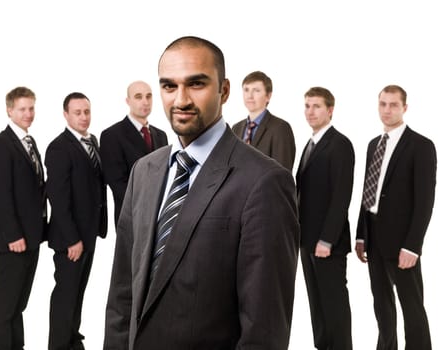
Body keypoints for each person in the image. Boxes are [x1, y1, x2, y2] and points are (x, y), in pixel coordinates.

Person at [103, 36, 299, 350]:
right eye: (169, 86)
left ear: (224, 90)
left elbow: (264, 330)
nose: (180, 99)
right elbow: (122, 296)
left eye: (196, 84)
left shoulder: (264, 182)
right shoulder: (144, 171)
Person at [356, 85, 436, 350]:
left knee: (411, 306)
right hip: (374, 237)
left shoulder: (421, 146)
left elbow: (425, 201)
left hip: (402, 241)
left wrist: (413, 245)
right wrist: (360, 234)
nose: (387, 110)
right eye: (382, 104)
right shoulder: (373, 145)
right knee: (382, 305)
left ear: (405, 108)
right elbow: (368, 192)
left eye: (393, 105)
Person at [0, 86, 48, 350]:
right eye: (22, 109)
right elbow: (2, 195)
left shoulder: (30, 142)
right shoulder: (0, 145)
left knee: (19, 304)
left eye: (31, 108)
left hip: (32, 236)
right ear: (9, 110)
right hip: (14, 239)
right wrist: (13, 235)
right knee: (5, 305)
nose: (28, 113)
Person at [45, 92, 108, 350]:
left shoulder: (92, 142)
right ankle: (59, 344)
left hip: (89, 232)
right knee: (65, 295)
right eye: (78, 113)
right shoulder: (59, 147)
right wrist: (72, 239)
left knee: (78, 292)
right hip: (70, 238)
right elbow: (57, 199)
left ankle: (73, 338)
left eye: (87, 112)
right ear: (66, 115)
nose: (84, 117)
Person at [296, 87, 354, 350]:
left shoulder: (340, 144)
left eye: (316, 106)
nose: (310, 111)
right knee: (317, 306)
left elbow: (341, 197)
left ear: (330, 110)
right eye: (307, 105)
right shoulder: (309, 144)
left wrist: (327, 240)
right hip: (306, 240)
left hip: (326, 243)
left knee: (334, 305)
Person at [100, 80, 168, 224]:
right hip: (131, 217)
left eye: (149, 96)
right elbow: (116, 182)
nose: (145, 102)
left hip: (160, 217)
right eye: (138, 97)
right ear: (128, 101)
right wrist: (146, 207)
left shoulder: (161, 135)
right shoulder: (112, 135)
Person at [231, 71, 296, 171]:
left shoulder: (280, 128)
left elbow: (282, 174)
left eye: (256, 90)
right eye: (246, 90)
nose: (250, 96)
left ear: (268, 96)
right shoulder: (236, 128)